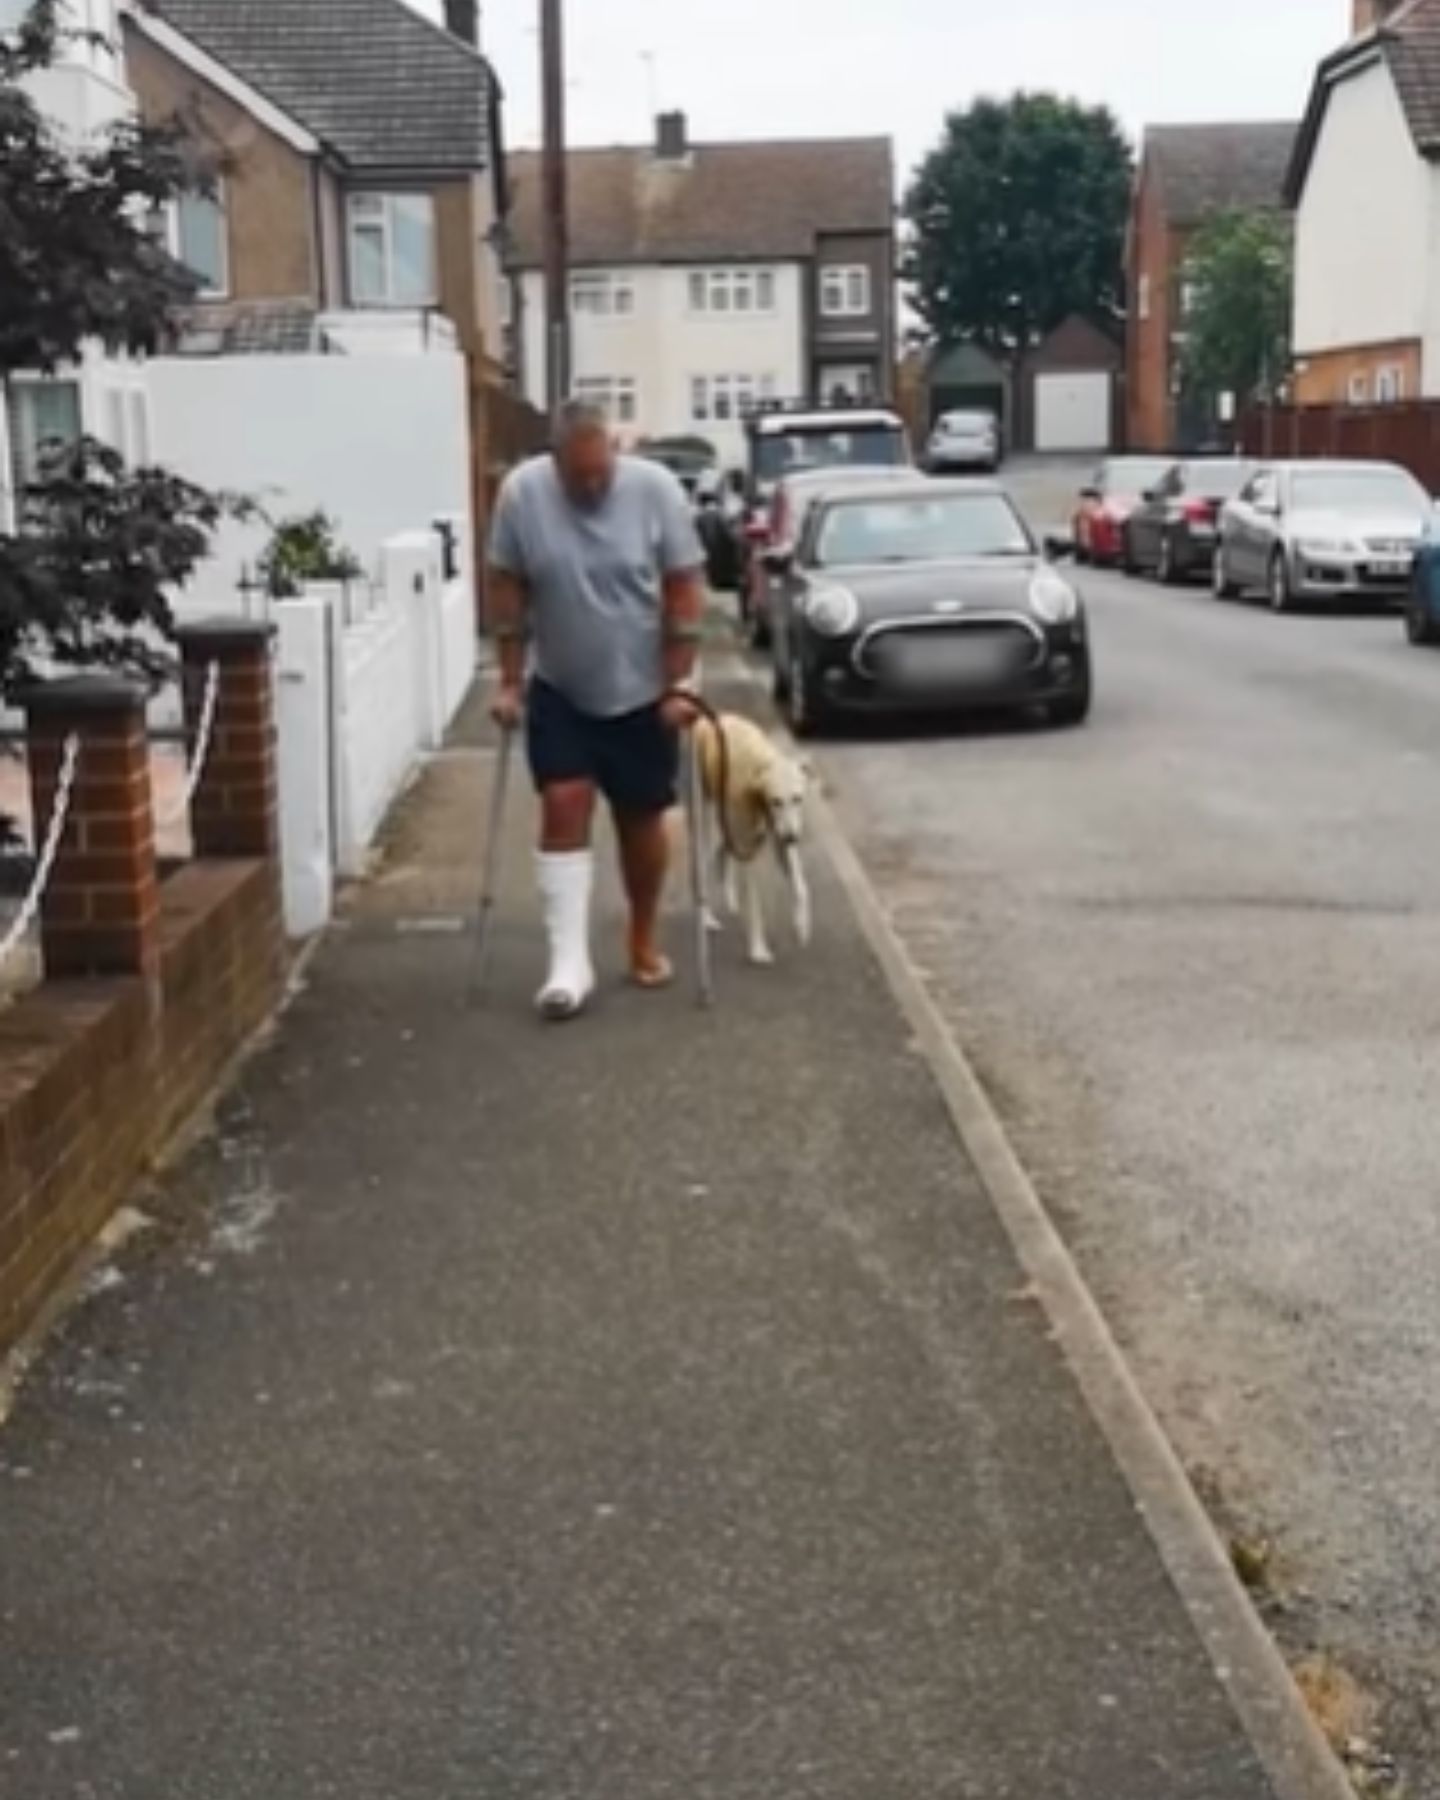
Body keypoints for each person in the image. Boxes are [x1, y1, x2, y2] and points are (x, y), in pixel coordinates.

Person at [486, 400, 706, 1020]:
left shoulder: (655, 490)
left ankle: (641, 937)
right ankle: (567, 963)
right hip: (560, 683)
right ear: (553, 460)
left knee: (641, 821)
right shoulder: (522, 495)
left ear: (614, 452)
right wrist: (508, 681)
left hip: (642, 689)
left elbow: (684, 586)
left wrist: (680, 682)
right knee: (563, 801)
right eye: (576, 475)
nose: (589, 485)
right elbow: (507, 585)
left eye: (599, 472)